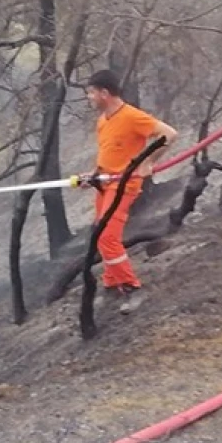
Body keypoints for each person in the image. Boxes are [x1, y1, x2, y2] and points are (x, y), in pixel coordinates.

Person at [79, 69, 177, 314]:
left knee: (108, 236)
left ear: (104, 93)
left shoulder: (132, 116)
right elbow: (109, 153)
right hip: (106, 182)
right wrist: (94, 175)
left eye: (91, 93)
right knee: (99, 232)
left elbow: (169, 134)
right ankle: (112, 284)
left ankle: (133, 288)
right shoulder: (103, 120)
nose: (89, 98)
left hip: (124, 184)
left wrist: (148, 161)